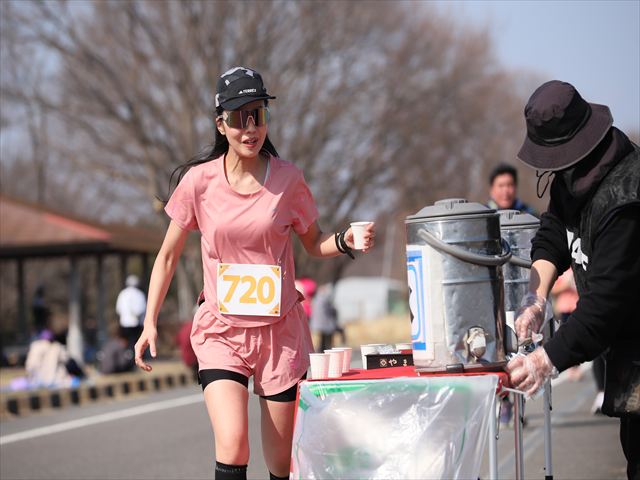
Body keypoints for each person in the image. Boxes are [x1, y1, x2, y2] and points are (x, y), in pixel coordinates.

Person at [134, 66, 375, 480]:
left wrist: (344, 240)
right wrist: (149, 321)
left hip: (279, 336)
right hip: (221, 330)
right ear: (221, 124)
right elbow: (168, 256)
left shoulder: (288, 180)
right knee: (233, 445)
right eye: (239, 117)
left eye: (258, 115)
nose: (250, 128)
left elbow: (313, 242)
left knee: (281, 462)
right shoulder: (198, 183)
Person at [505, 80, 639, 479]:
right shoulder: (575, 177)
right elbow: (553, 232)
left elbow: (605, 306)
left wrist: (546, 359)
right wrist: (536, 297)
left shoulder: (626, 199)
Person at [116, 274, 146, 351]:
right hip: (136, 324)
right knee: (135, 342)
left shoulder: (123, 294)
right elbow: (142, 309)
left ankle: (126, 355)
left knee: (125, 343)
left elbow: (118, 309)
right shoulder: (140, 294)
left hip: (124, 323)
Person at [310, 283, 340, 352]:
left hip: (317, 323)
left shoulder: (315, 299)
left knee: (321, 340)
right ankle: (328, 351)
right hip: (326, 324)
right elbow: (332, 310)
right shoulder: (325, 299)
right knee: (328, 341)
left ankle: (321, 351)